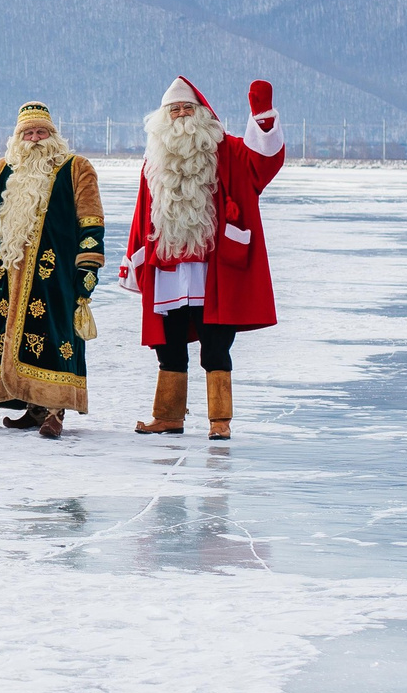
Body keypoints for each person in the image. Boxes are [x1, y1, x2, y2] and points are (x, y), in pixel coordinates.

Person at [117, 77, 284, 438]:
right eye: (173, 109)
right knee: (169, 343)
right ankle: (168, 416)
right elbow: (143, 211)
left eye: (186, 109)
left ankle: (220, 422)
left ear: (201, 114)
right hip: (168, 266)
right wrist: (135, 258)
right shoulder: (154, 159)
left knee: (216, 343)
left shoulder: (224, 149)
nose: (179, 115)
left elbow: (262, 163)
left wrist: (263, 117)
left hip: (213, 268)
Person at [0, 100, 105, 438]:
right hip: (8, 271)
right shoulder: (7, 167)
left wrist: (87, 269)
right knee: (12, 336)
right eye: (28, 132)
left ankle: (55, 410)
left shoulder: (76, 167)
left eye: (41, 131)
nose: (35, 138)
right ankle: (33, 407)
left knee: (56, 334)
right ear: (18, 138)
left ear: (53, 135)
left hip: (56, 271)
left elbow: (91, 221)